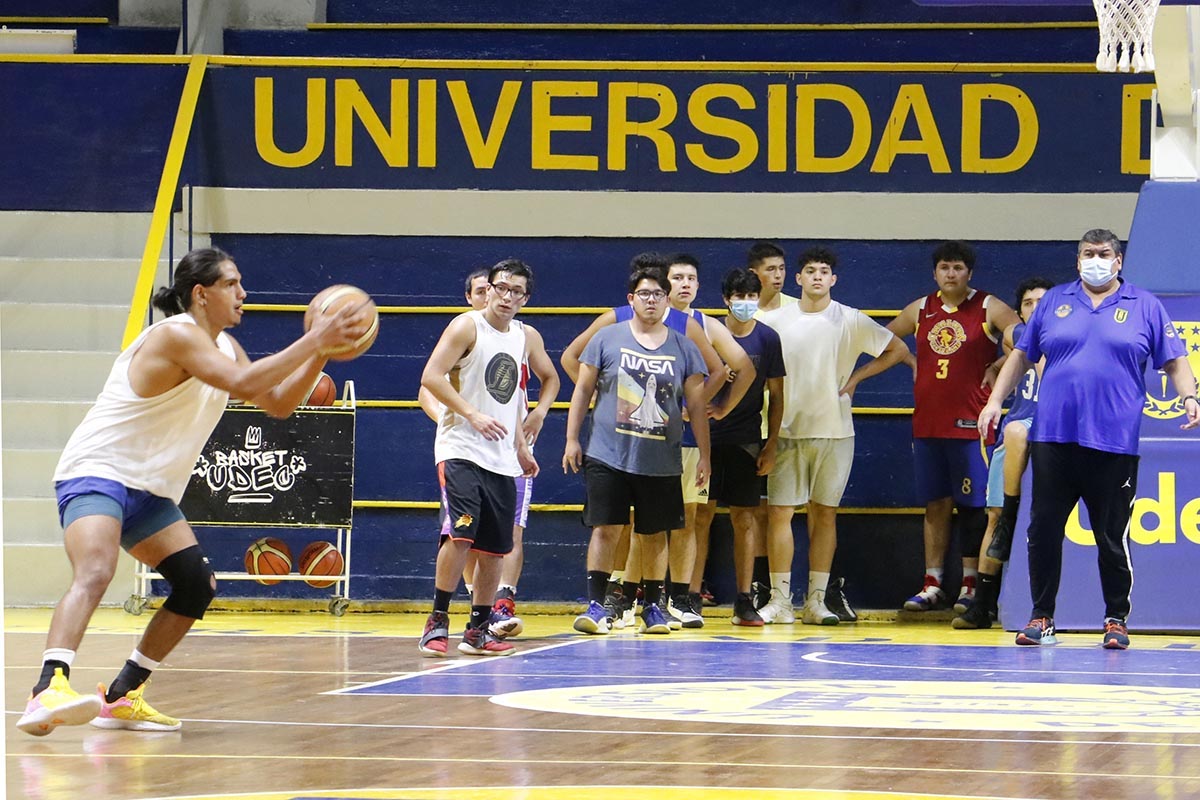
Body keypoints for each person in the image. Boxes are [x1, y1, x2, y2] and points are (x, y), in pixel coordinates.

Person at [17, 247, 371, 736]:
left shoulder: (225, 346)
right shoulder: (176, 336)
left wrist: (320, 352)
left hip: (151, 490)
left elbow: (278, 403)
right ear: (201, 294)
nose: (244, 294)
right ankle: (48, 689)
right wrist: (313, 338)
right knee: (97, 568)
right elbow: (245, 381)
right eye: (232, 284)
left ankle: (122, 695)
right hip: (98, 470)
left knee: (195, 585)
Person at [980, 229, 1199, 649]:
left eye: (1102, 254)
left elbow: (1174, 360)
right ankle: (1041, 617)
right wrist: (994, 401)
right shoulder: (1055, 302)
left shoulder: (1144, 306)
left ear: (1118, 261)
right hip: (1054, 439)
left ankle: (1115, 618)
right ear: (1077, 259)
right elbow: (1021, 356)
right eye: (1086, 253)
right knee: (1043, 531)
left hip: (1113, 443)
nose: (1094, 260)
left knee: (1111, 536)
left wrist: (1190, 396)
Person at [560, 252, 739, 627]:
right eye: (644, 294)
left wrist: (704, 455)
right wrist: (572, 438)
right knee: (606, 529)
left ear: (668, 299)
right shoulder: (607, 338)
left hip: (661, 458)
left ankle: (653, 606)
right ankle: (597, 605)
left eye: (659, 293)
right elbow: (581, 391)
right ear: (631, 299)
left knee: (655, 533)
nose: (652, 300)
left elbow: (697, 404)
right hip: (607, 454)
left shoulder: (685, 346)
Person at [759, 246, 909, 624]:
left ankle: (816, 601)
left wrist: (857, 378)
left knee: (824, 514)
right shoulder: (776, 320)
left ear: (834, 279)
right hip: (786, 430)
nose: (817, 277)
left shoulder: (850, 319)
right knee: (779, 514)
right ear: (798, 278)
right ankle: (779, 601)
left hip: (835, 432)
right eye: (810, 271)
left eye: (824, 271)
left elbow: (897, 348)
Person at [418, 268, 559, 637]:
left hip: (502, 455)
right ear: (490, 290)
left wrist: (522, 445)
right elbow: (431, 377)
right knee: (461, 535)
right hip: (460, 446)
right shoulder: (466, 326)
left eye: (516, 291)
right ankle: (438, 618)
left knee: (497, 548)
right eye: (501, 288)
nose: (506, 296)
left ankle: (478, 627)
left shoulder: (523, 337)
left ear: (525, 299)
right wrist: (471, 414)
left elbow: (513, 399)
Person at [887, 241, 1020, 614]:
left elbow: (1021, 337)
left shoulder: (988, 306)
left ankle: (971, 583)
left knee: (973, 507)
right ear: (935, 273)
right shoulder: (921, 308)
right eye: (944, 267)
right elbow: (883, 338)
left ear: (969, 273)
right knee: (935, 504)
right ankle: (932, 583)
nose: (950, 274)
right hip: (928, 424)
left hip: (971, 426)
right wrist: (909, 359)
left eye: (958, 267)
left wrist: (998, 367)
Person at [660, 254, 755, 629]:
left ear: (699, 286)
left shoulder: (705, 324)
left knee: (690, 516)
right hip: (645, 431)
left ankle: (682, 595)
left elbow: (741, 367)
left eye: (691, 278)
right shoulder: (642, 321)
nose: (685, 284)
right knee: (638, 519)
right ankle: (627, 591)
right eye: (678, 277)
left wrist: (717, 407)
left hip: (688, 437)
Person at [953, 277, 1053, 630]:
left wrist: (998, 366)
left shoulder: (1072, 339)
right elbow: (1020, 343)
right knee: (995, 518)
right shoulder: (1018, 336)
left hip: (1055, 435)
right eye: (1028, 303)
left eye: (1043, 302)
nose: (1035, 308)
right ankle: (982, 604)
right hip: (1017, 435)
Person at [698, 268, 786, 625]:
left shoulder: (768, 339)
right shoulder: (706, 334)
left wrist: (772, 443)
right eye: (739, 297)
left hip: (747, 440)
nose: (746, 304)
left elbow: (778, 395)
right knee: (699, 517)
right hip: (704, 440)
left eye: (752, 297)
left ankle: (744, 598)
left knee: (745, 519)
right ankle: (689, 594)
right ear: (726, 299)